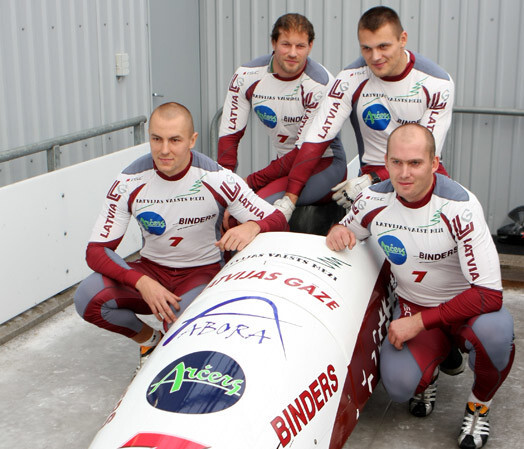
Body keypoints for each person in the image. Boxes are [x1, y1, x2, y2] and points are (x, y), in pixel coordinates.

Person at [326, 124, 514, 449]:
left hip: (469, 310)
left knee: (496, 336)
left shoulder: (460, 206)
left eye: (415, 163)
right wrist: (336, 233)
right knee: (399, 386)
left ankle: (478, 405)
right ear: (384, 162)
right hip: (416, 304)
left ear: (434, 162)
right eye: (396, 162)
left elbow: (489, 294)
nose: (404, 173)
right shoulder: (372, 198)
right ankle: (434, 369)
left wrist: (417, 323)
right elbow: (344, 230)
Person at [75, 102, 288, 371]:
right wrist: (141, 281)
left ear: (192, 140)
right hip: (152, 271)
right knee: (87, 297)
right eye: (157, 139)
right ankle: (150, 342)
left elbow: (278, 220)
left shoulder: (217, 178)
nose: (164, 150)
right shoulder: (129, 180)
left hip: (201, 273)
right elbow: (96, 251)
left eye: (175, 140)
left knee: (179, 325)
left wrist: (252, 227)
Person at [267, 6, 454, 210]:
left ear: (403, 39)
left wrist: (371, 179)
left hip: (420, 175)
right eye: (366, 48)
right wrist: (289, 199)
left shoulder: (438, 83)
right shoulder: (350, 79)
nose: (375, 57)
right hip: (370, 181)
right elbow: (315, 141)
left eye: (383, 46)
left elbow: (425, 156)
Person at [218, 13, 346, 221]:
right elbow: (229, 138)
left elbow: (304, 153)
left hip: (323, 164)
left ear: (311, 46)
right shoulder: (247, 76)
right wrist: (225, 186)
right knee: (226, 208)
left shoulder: (320, 84)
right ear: (274, 42)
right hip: (283, 166)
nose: (293, 53)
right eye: (286, 44)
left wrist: (251, 181)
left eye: (300, 46)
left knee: (246, 212)